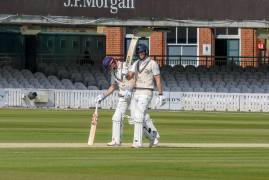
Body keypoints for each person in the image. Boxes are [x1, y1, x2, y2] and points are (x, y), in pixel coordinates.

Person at [95, 56, 160, 147]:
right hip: (123, 96)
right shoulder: (113, 72)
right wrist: (103, 96)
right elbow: (113, 87)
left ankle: (153, 135)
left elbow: (134, 78)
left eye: (109, 67)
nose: (109, 69)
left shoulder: (126, 65)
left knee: (135, 119)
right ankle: (116, 140)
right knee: (116, 117)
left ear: (112, 62)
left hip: (133, 94)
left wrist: (129, 89)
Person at [128, 44, 166, 148]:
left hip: (147, 92)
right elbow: (129, 77)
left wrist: (160, 94)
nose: (141, 54)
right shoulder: (136, 63)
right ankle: (153, 135)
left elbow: (157, 79)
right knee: (134, 118)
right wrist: (125, 73)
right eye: (139, 53)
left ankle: (137, 142)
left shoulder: (153, 63)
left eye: (142, 52)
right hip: (136, 92)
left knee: (139, 116)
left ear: (146, 52)